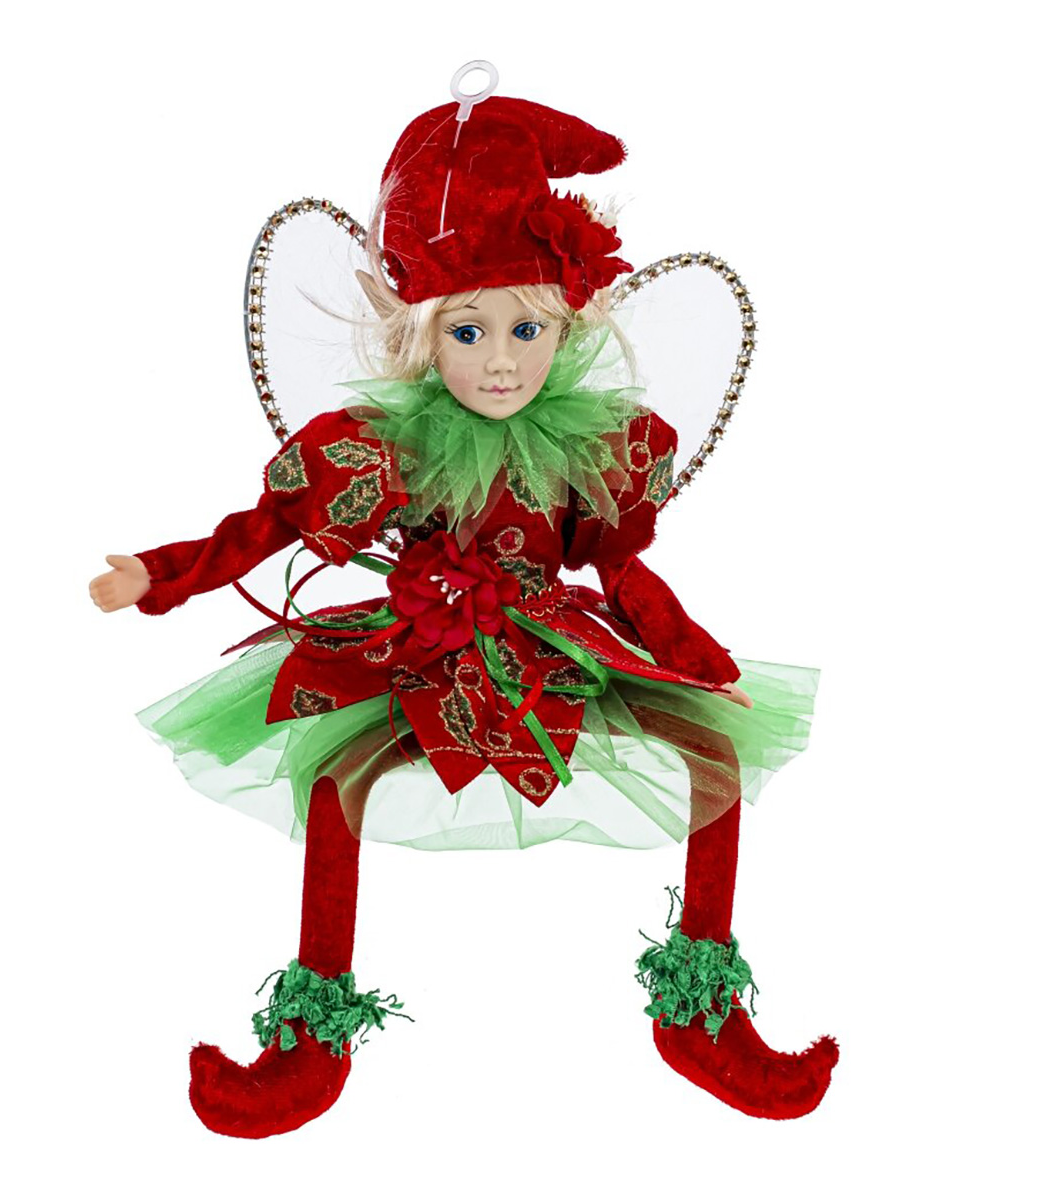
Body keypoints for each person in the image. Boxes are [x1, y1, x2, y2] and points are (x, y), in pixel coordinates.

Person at [90, 83, 837, 1137]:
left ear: (567, 322)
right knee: (340, 785)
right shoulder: (388, 446)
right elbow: (268, 525)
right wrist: (159, 575)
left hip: (553, 640)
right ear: (422, 334)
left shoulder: (588, 446)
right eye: (469, 330)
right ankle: (313, 1034)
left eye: (527, 328)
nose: (500, 359)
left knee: (712, 757)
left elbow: (619, 571)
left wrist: (694, 657)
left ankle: (699, 1011)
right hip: (422, 649)